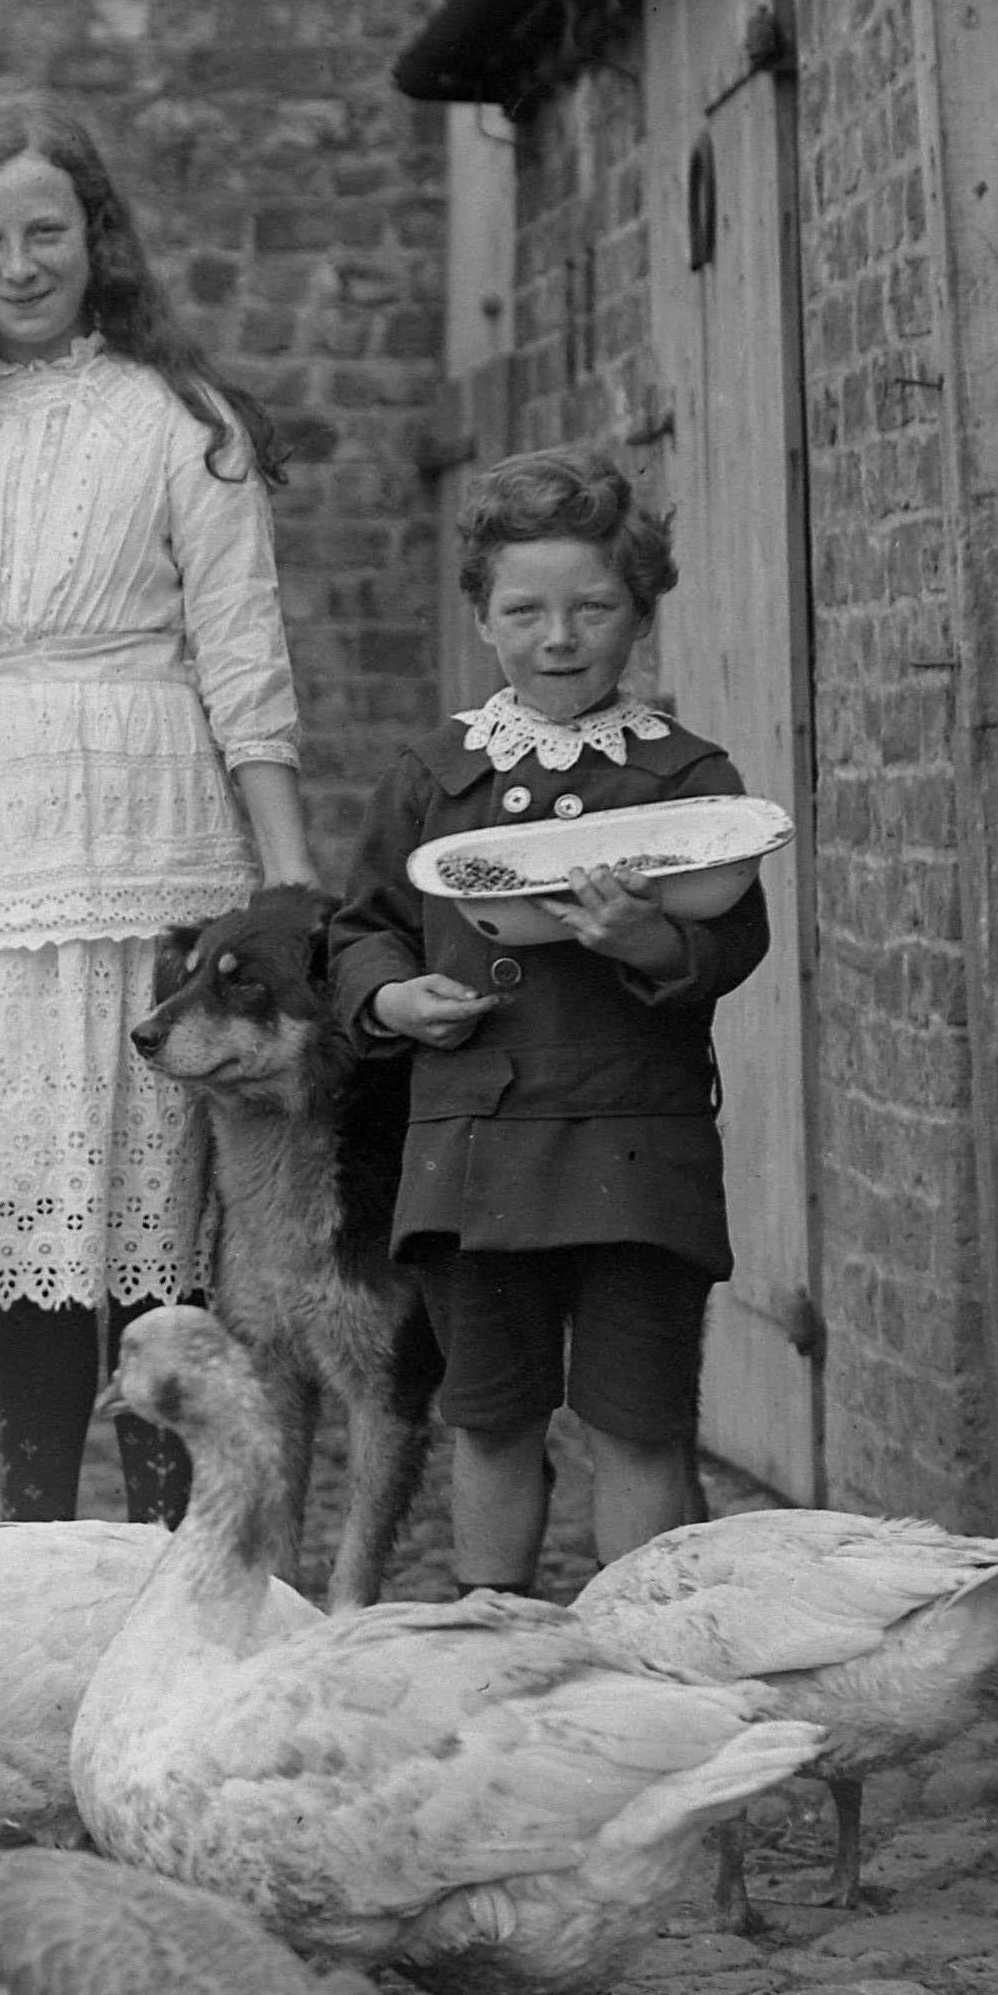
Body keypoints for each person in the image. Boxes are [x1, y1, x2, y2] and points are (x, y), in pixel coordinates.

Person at [0, 91, 316, 1522]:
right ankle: (37, 1540)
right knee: (30, 1216)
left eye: (47, 229)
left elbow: (246, 661)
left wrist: (287, 886)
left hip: (156, 834)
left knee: (158, 1213)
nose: (21, 264)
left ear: (96, 240)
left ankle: (169, 1552)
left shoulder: (183, 423)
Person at [328, 450, 770, 1594]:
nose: (559, 637)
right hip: (473, 1144)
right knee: (491, 1413)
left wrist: (650, 945)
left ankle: (644, 1658)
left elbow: (734, 933)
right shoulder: (436, 773)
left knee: (637, 1418)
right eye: (524, 610)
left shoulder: (685, 777)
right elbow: (361, 924)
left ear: (640, 611)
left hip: (636, 1138)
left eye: (594, 607)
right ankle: (498, 1643)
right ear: (481, 615)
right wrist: (391, 995)